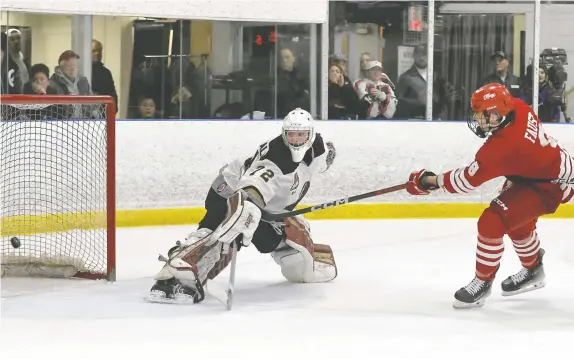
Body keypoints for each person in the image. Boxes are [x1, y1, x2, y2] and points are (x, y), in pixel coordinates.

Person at [406, 83, 574, 309]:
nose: (477, 119)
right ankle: (533, 269)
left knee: (492, 221)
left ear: (497, 114)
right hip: (544, 175)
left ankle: (482, 282)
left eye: (481, 114)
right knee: (516, 222)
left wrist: (429, 181)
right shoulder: (518, 108)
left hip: (549, 185)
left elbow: (466, 181)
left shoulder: (502, 147)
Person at [147, 108, 338, 304]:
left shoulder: (319, 147)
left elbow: (326, 154)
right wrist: (249, 209)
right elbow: (252, 188)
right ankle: (182, 269)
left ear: (310, 134)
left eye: (301, 134)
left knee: (278, 246)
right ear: (284, 133)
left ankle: (188, 263)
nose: (296, 139)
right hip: (230, 190)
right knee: (226, 232)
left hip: (270, 208)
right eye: (291, 134)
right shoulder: (276, 159)